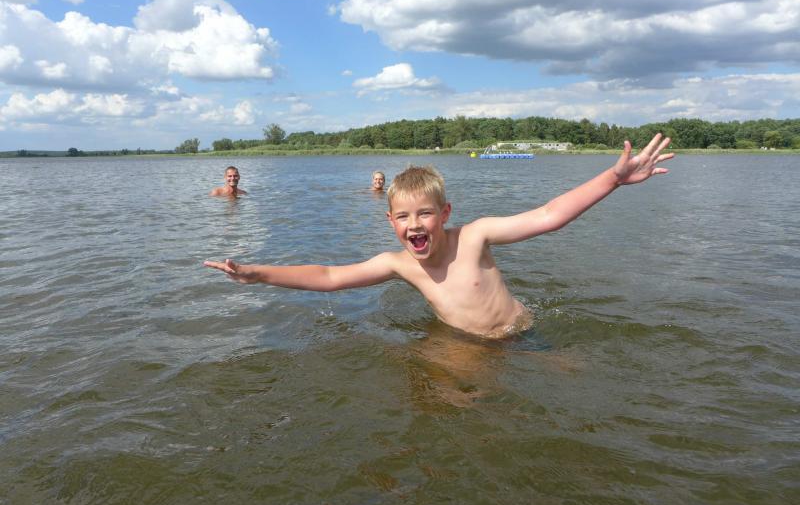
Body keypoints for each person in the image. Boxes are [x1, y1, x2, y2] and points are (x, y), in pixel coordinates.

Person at [204, 134, 673, 338]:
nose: (414, 225)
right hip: (465, 343)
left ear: (445, 213)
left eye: (425, 214)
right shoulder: (399, 265)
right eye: (403, 217)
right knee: (443, 395)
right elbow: (329, 276)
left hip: (521, 334)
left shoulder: (476, 236)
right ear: (390, 222)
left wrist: (612, 179)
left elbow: (550, 215)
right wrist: (257, 274)